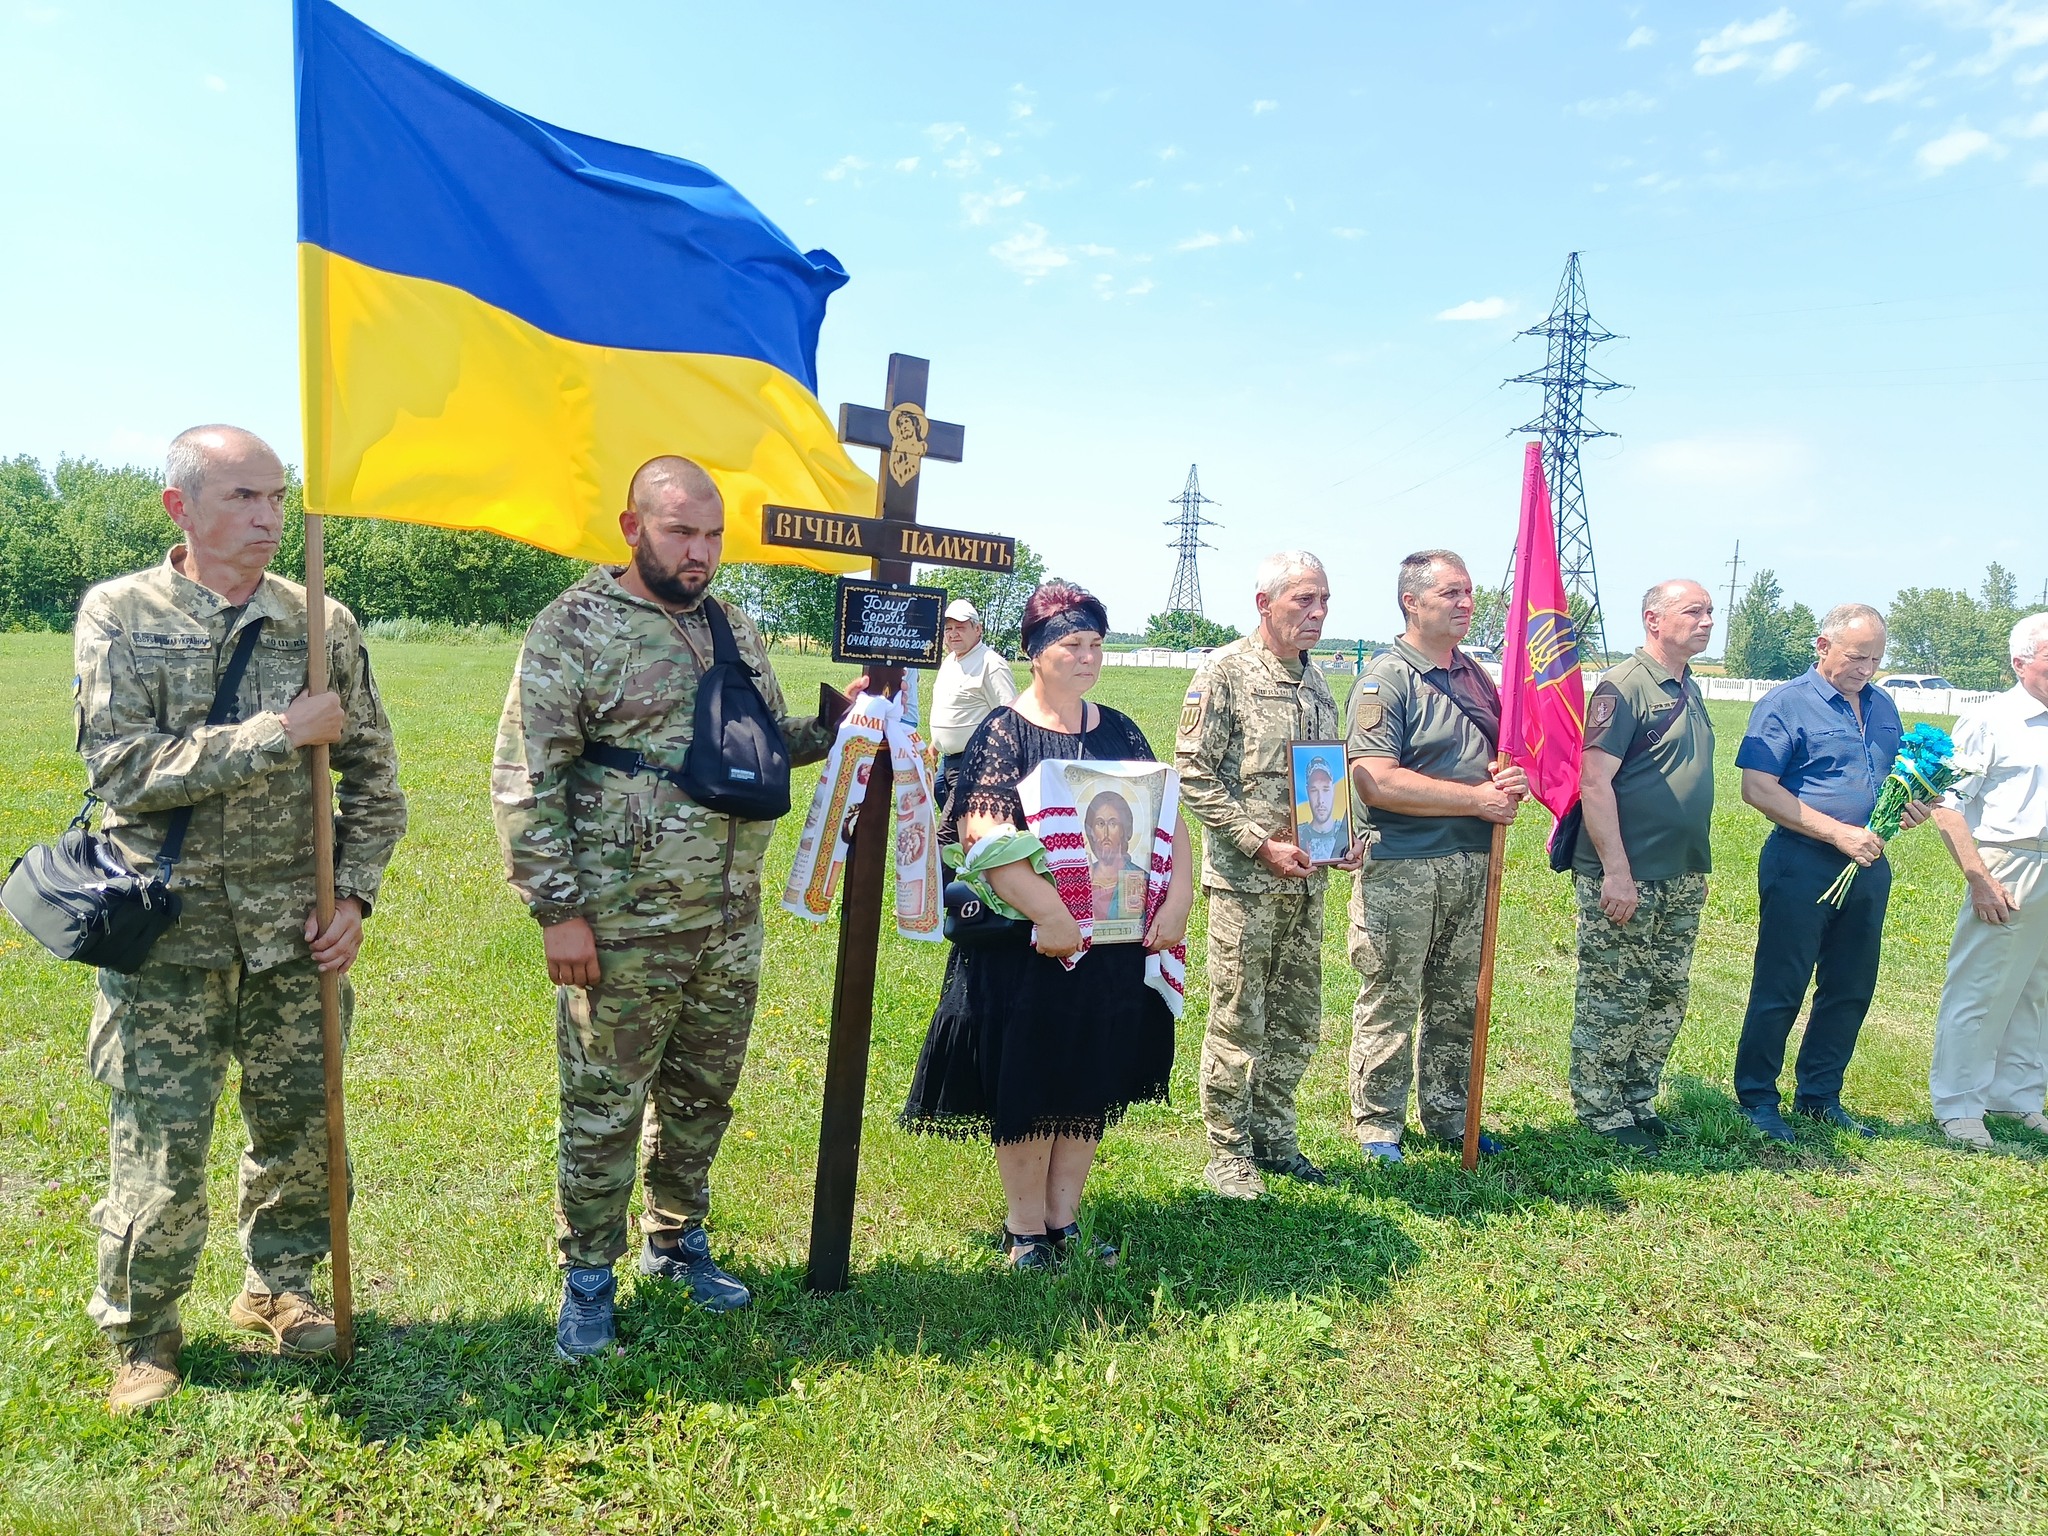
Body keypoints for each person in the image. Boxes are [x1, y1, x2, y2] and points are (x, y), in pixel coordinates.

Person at [492, 455, 862, 1359]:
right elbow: (526, 777)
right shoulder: (576, 627)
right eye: (680, 532)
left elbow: (756, 746)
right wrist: (558, 912)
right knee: (604, 1103)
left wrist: (838, 726)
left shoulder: (731, 625)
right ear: (632, 528)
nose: (699, 552)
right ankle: (588, 1277)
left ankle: (675, 1237)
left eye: (712, 536)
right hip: (620, 923)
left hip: (727, 919)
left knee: (703, 1092)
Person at [72, 425, 407, 1415]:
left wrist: (353, 896)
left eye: (277, 497)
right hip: (166, 939)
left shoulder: (321, 622)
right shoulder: (122, 613)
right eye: (243, 497)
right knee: (160, 1148)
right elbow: (121, 770)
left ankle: (280, 1289)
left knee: (303, 1132)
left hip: (296, 936)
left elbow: (375, 780)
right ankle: (144, 1333)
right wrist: (276, 733)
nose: (268, 518)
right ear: (180, 507)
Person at [901, 582, 1193, 1267]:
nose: (1087, 657)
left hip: (1113, 943)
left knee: (1089, 1071)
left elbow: (1165, 818)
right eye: (1072, 645)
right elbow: (984, 839)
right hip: (1028, 945)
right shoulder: (1003, 732)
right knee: (1030, 1077)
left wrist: (1178, 899)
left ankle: (1065, 1223)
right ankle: (1026, 1230)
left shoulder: (1120, 729)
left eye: (1096, 644)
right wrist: (1053, 914)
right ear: (1035, 653)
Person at [1177, 551, 1357, 1199]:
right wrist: (1258, 844)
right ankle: (1228, 1152)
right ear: (1264, 603)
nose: (1317, 613)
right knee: (1238, 1016)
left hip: (1307, 882)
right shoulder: (1225, 672)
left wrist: (1341, 839)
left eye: (1324, 600)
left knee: (1296, 1018)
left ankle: (1275, 1137)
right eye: (1304, 600)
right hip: (1245, 884)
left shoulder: (1317, 684)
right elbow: (1193, 770)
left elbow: (1324, 778)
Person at [1345, 550, 1526, 1163]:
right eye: (1450, 593)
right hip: (1404, 866)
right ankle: (1378, 1128)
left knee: (1458, 999)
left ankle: (1450, 1116)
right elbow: (1375, 779)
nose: (1466, 603)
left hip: (1474, 862)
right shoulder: (1387, 680)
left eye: (1469, 592)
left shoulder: (1477, 677)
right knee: (1392, 996)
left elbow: (1497, 759)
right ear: (1411, 602)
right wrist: (1476, 799)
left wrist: (1510, 781)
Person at [1732, 602, 1930, 1141]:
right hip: (1801, 861)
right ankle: (1757, 1098)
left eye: (1876, 659)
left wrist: (1911, 807)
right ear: (1823, 647)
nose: (1866, 669)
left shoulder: (1883, 705)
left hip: (1868, 863)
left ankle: (1820, 1096)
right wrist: (1836, 833)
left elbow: (1892, 781)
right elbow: (1758, 788)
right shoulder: (1785, 704)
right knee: (1782, 984)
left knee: (1850, 985)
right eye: (1857, 657)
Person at [1570, 580, 1718, 1154]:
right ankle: (1601, 1108)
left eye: (1709, 612)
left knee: (1664, 991)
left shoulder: (1687, 686)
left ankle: (1637, 1096)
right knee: (1615, 991)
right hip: (1629, 874)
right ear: (1653, 620)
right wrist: (1616, 871)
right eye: (1693, 611)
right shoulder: (1625, 686)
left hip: (1680, 872)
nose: (1707, 621)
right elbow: (1594, 781)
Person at [1926, 612, 2048, 1150]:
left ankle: (2017, 1096)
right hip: (2009, 864)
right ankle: (1958, 1105)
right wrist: (1978, 877)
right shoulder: (1990, 720)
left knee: (2036, 991)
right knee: (1981, 989)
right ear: (2020, 662)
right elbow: (1947, 804)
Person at [929, 598, 1018, 812]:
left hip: (974, 762)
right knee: (947, 811)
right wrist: (934, 745)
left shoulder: (991, 664)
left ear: (978, 629)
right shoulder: (950, 661)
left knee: (955, 825)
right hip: (947, 762)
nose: (953, 634)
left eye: (960, 627)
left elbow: (1010, 717)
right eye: (948, 628)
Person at [1084, 789, 1146, 921]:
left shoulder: (1137, 877)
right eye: (1100, 824)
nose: (1106, 833)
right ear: (1092, 831)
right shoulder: (1084, 877)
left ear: (1123, 830)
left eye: (1113, 824)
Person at [1300, 756, 1348, 863]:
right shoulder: (1299, 836)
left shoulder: (1344, 833)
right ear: (1307, 791)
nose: (1320, 800)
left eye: (1325, 790)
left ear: (1333, 790)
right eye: (1314, 790)